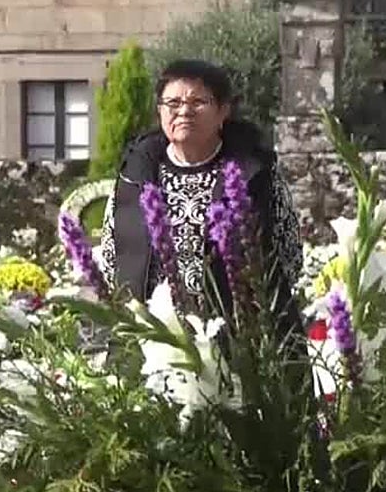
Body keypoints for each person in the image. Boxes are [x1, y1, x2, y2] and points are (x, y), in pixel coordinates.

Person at [97, 58, 302, 332]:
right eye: (172, 103)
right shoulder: (135, 175)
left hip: (241, 337)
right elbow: (112, 257)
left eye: (198, 102)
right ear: (160, 112)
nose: (184, 111)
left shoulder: (254, 175)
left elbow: (289, 253)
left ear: (223, 112)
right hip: (158, 338)